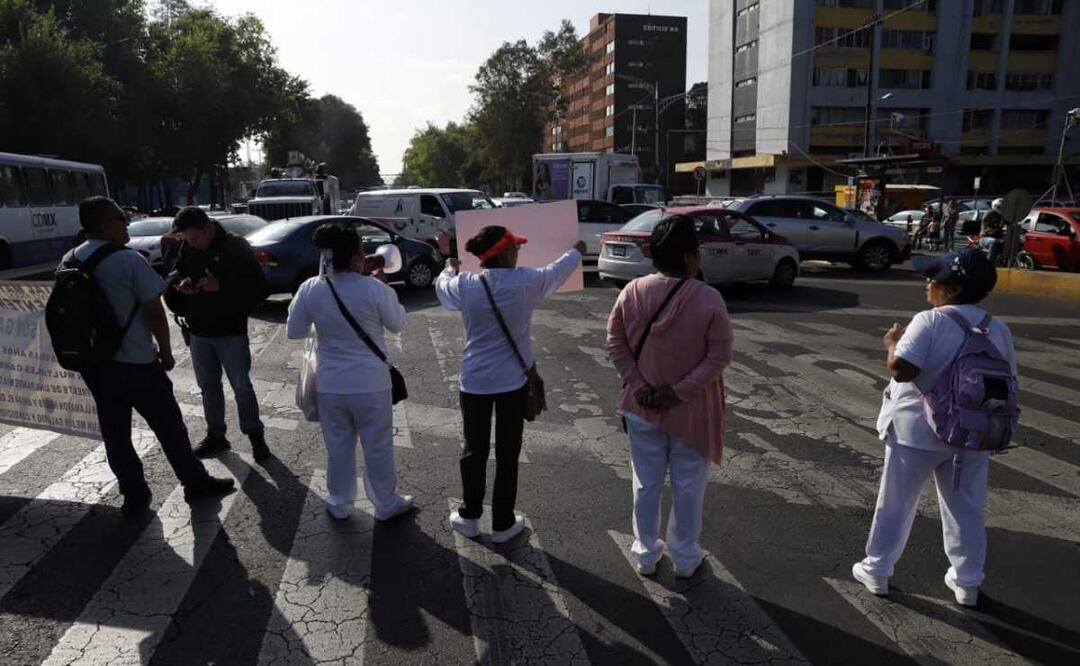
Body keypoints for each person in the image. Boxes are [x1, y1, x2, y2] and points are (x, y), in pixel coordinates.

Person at [852, 247, 1017, 607]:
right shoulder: (997, 329)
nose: (928, 283)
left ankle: (878, 570)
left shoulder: (930, 321)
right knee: (966, 508)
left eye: (935, 278)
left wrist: (893, 344)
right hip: (972, 434)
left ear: (953, 289)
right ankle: (967, 582)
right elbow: (1009, 384)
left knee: (896, 502)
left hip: (917, 432)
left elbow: (902, 370)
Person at [65, 197, 234, 514]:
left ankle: (134, 494)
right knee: (170, 428)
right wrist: (167, 353)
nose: (126, 223)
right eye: (120, 217)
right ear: (105, 225)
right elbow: (155, 313)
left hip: (96, 365)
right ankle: (195, 484)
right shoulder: (126, 260)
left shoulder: (70, 259)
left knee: (116, 434)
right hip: (137, 365)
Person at [436, 226, 584, 543]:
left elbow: (442, 286)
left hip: (474, 382)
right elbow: (557, 271)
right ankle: (503, 522)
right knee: (507, 452)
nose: (518, 252)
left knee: (473, 450)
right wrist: (577, 251)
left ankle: (470, 516)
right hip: (511, 384)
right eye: (515, 248)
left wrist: (450, 266)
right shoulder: (526, 282)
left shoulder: (465, 285)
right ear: (503, 253)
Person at [606, 215, 734, 578]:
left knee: (645, 483)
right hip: (691, 411)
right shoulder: (709, 298)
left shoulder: (631, 291)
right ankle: (685, 557)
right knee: (688, 485)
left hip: (641, 406)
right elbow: (719, 356)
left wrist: (640, 384)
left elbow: (616, 343)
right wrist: (678, 392)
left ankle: (646, 554)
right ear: (691, 257)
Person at [285, 223, 414, 521]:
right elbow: (397, 324)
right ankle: (385, 502)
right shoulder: (374, 288)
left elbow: (295, 331)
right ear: (357, 256)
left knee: (338, 444)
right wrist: (383, 286)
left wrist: (326, 321)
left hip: (330, 384)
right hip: (371, 383)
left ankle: (339, 501)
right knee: (377, 444)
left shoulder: (311, 287)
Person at [166, 207, 271, 461]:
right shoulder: (188, 249)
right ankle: (216, 436)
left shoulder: (235, 247)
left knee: (242, 387)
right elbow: (180, 272)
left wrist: (221, 286)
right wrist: (184, 287)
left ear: (207, 229)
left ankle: (256, 437)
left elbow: (261, 290)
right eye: (187, 240)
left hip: (230, 331)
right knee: (208, 388)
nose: (190, 244)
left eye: (193, 238)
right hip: (199, 331)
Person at [979, 198, 1007, 265]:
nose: (1002, 209)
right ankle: (989, 262)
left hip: (997, 237)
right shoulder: (988, 214)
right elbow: (986, 229)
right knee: (993, 242)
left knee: (1007, 241)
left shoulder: (1001, 216)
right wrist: (999, 231)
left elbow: (1009, 223)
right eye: (1000, 207)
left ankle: (1002, 260)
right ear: (995, 206)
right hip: (985, 237)